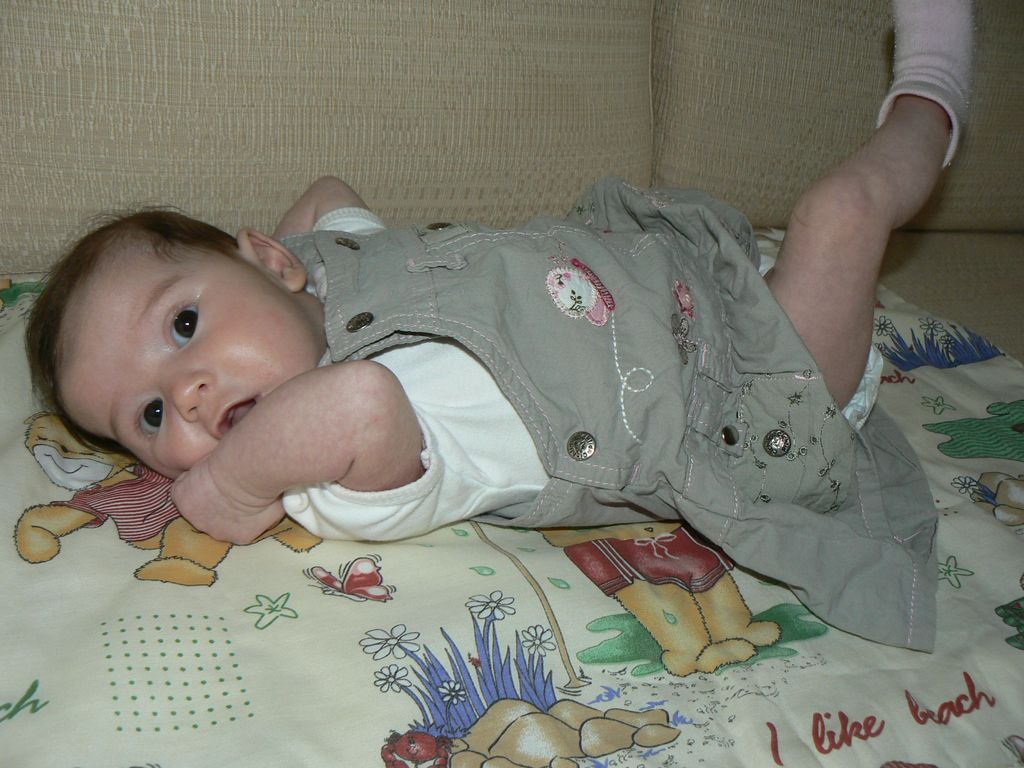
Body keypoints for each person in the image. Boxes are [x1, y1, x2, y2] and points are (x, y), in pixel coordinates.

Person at [25, 0, 971, 651]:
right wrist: (233, 484)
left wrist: (288, 283)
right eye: (150, 417)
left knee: (807, 232)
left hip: (688, 290)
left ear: (274, 260)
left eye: (185, 322)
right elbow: (356, 399)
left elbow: (328, 195)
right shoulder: (328, 480)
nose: (188, 394)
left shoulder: (325, 271)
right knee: (840, 215)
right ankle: (932, 91)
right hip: (756, 411)